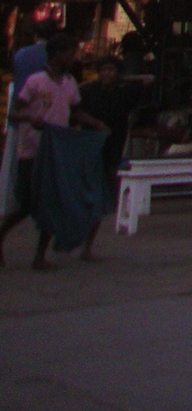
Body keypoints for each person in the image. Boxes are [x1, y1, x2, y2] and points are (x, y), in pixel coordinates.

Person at [0, 35, 106, 270]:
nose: (73, 58)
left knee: (51, 202)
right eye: (70, 53)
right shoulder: (35, 81)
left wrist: (96, 124)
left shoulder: (69, 83)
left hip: (57, 151)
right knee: (28, 203)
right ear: (57, 53)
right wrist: (30, 117)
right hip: (31, 149)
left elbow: (75, 111)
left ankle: (39, 256)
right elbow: (14, 114)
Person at [77, 57, 145, 264]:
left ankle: (87, 247)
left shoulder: (123, 93)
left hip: (112, 151)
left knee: (100, 200)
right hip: (88, 150)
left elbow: (148, 79)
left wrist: (123, 78)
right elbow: (73, 101)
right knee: (83, 197)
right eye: (103, 70)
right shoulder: (89, 92)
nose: (108, 74)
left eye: (112, 70)